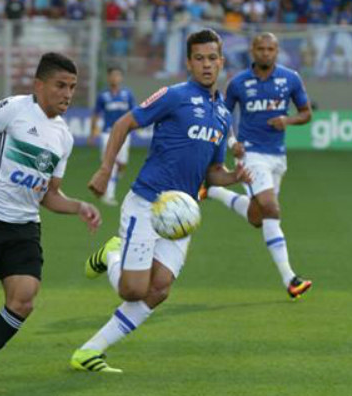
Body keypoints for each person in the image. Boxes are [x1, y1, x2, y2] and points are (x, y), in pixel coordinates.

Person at [69, 29, 251, 373]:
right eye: (199, 58)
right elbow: (124, 123)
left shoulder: (224, 115)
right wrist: (106, 169)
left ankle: (89, 351)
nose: (207, 64)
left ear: (222, 62)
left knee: (160, 288)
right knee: (134, 290)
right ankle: (111, 253)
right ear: (188, 63)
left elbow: (212, 172)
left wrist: (233, 177)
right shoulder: (174, 95)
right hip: (147, 203)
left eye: (213, 58)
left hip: (180, 216)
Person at [0, 52, 101, 388]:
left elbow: (49, 195)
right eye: (60, 85)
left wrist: (79, 207)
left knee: (24, 299)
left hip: (25, 226)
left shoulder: (63, 138)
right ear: (39, 85)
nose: (68, 94)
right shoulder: (13, 108)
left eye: (72, 87)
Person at [202, 32, 313, 299]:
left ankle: (213, 191)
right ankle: (290, 278)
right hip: (250, 155)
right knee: (271, 209)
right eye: (261, 49)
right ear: (253, 51)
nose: (265, 53)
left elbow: (306, 113)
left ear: (277, 51)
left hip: (277, 157)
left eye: (270, 49)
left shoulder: (290, 78)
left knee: (257, 217)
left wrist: (286, 121)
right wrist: (231, 144)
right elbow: (223, 117)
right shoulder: (239, 82)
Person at [88, 66, 136, 206]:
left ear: (121, 78)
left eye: (117, 75)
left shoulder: (127, 94)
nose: (115, 78)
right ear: (109, 78)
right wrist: (92, 133)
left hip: (124, 134)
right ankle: (109, 194)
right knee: (111, 163)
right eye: (112, 75)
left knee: (122, 163)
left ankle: (116, 174)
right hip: (107, 133)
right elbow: (96, 114)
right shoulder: (103, 95)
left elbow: (134, 112)